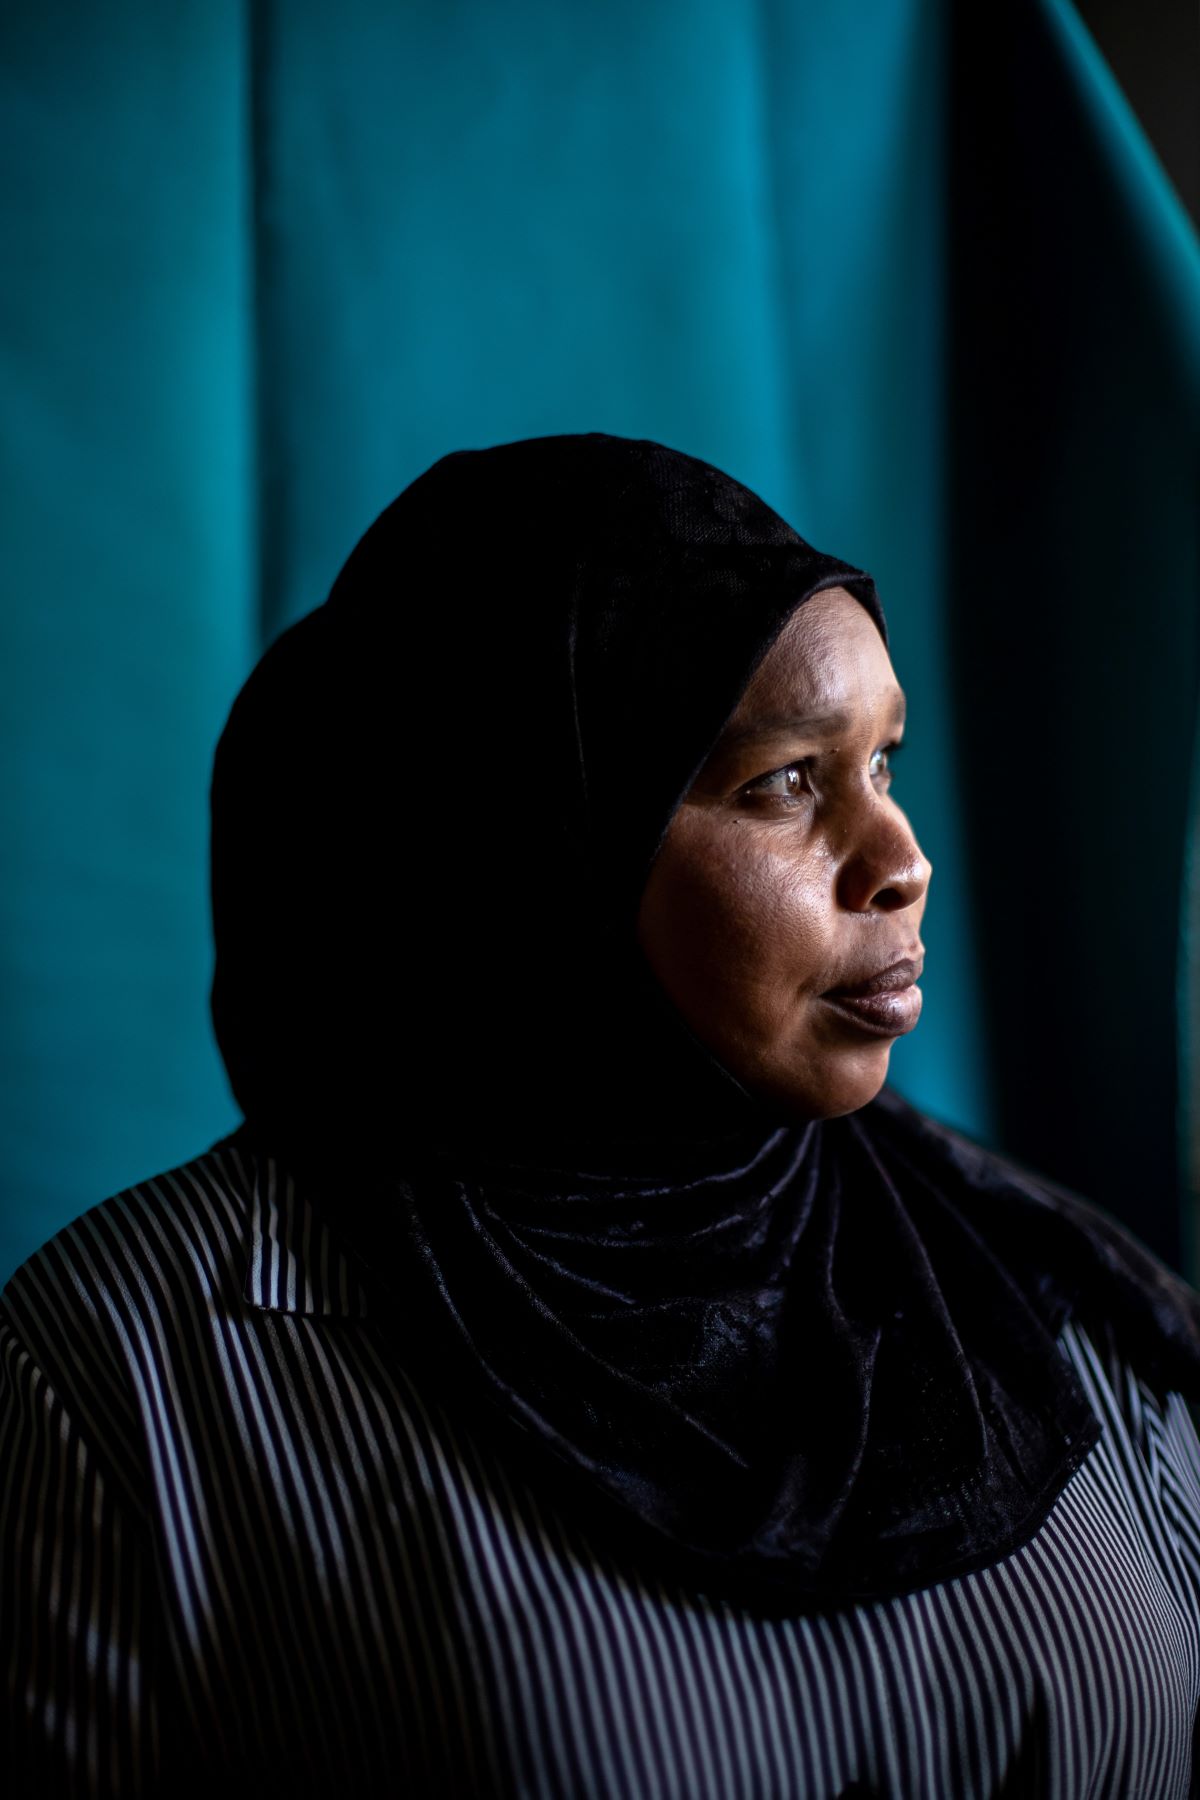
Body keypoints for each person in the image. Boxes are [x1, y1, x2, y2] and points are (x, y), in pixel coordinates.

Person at [4, 433, 1200, 1799]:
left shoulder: (1031, 1285)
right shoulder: (132, 1378)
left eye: (885, 762)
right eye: (786, 783)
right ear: (526, 843)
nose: (901, 860)